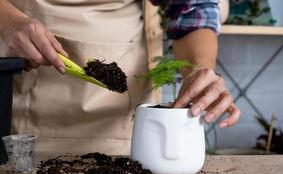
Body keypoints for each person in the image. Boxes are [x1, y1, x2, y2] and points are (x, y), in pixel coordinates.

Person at [0, 0, 240, 154]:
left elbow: (191, 8)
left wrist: (198, 71)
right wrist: (9, 21)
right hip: (16, 91)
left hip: (117, 119)